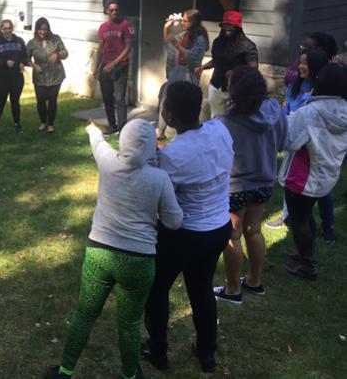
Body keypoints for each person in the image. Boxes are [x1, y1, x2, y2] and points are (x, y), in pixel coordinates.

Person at [45, 119, 182, 379]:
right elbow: (175, 221)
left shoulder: (108, 162)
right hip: (139, 261)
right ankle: (130, 375)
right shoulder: (160, 179)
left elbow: (97, 142)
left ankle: (64, 372)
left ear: (123, 142)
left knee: (85, 313)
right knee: (129, 324)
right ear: (152, 147)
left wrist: (93, 129)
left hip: (99, 252)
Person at [143, 81, 233, 373]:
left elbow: (160, 199)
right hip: (218, 227)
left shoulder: (171, 156)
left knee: (157, 289)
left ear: (167, 113)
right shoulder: (220, 130)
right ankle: (207, 352)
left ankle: (158, 350)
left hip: (185, 234)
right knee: (201, 287)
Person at [212, 66, 287, 306]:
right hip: (264, 181)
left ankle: (233, 290)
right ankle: (254, 281)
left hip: (235, 186)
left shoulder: (223, 122)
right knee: (254, 230)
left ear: (236, 91)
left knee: (232, 236)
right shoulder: (276, 112)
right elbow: (284, 141)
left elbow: (214, 155)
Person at [277, 63, 347, 280]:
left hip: (303, 177)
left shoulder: (311, 112)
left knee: (298, 221)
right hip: (326, 173)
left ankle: (308, 266)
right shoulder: (344, 110)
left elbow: (289, 141)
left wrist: (286, 119)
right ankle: (304, 253)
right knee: (307, 215)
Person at [266, 49, 333, 239]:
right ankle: (288, 216)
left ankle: (328, 226)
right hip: (293, 137)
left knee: (318, 187)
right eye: (300, 62)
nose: (301, 67)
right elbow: (287, 109)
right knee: (290, 182)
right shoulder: (295, 86)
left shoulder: (321, 91)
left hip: (311, 144)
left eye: (306, 63)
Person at [158, 9, 209, 138]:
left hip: (190, 73)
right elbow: (168, 42)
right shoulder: (185, 34)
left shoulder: (200, 39)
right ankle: (161, 130)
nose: (183, 23)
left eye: (185, 21)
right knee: (166, 98)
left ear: (194, 22)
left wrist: (176, 43)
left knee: (186, 103)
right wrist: (167, 27)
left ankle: (188, 133)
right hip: (178, 70)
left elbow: (193, 59)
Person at [196, 10, 258, 117]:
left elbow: (253, 70)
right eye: (225, 25)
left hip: (236, 88)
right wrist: (203, 67)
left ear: (238, 27)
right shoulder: (218, 42)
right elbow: (216, 61)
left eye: (231, 25)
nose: (227, 28)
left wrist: (235, 73)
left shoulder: (248, 46)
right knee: (215, 117)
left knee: (233, 119)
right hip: (216, 85)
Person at [95, 0, 135, 135]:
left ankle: (122, 127)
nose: (114, 12)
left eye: (116, 10)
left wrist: (115, 62)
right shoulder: (103, 27)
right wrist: (95, 67)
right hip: (105, 67)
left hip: (120, 66)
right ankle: (112, 125)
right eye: (111, 10)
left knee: (119, 98)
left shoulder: (125, 26)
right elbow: (100, 48)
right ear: (107, 11)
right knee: (107, 98)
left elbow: (128, 46)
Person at [27, 17, 69, 132]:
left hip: (55, 75)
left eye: (45, 29)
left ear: (48, 29)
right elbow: (25, 58)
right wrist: (34, 65)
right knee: (40, 100)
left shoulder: (55, 39)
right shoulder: (32, 43)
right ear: (36, 30)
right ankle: (43, 122)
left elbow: (65, 53)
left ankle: (50, 124)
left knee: (52, 99)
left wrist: (57, 54)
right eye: (40, 29)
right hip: (40, 76)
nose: (42, 32)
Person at [0, 19, 28, 135]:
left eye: (9, 28)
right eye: (5, 28)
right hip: (2, 77)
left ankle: (17, 124)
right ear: (1, 29)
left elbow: (25, 56)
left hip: (17, 77)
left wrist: (22, 63)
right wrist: (5, 62)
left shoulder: (19, 41)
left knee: (15, 101)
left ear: (12, 29)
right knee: (0, 102)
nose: (7, 30)